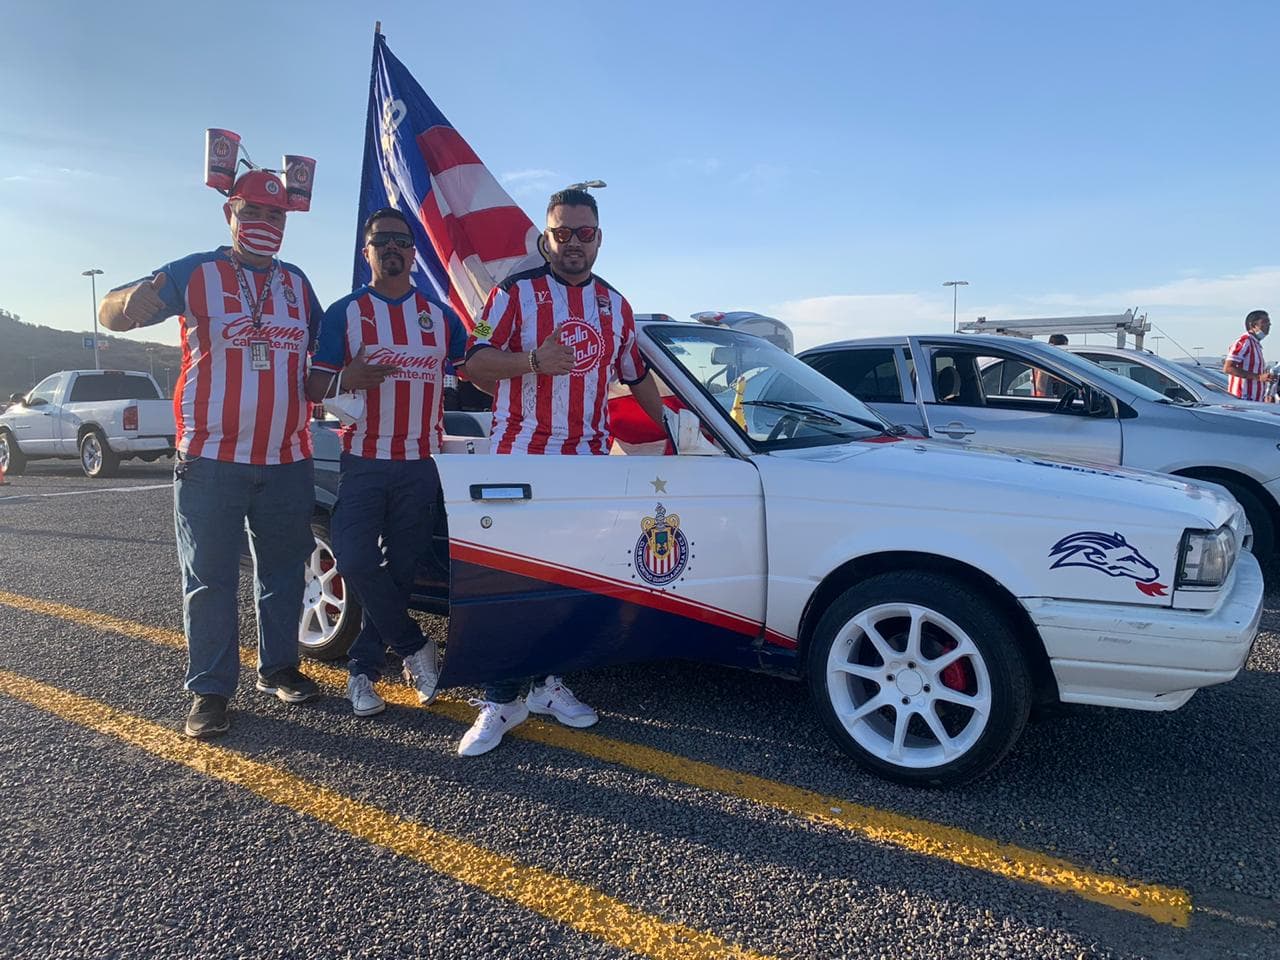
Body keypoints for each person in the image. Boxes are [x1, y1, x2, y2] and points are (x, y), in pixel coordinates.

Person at [98, 169, 324, 739]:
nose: (264, 225)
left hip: (287, 459)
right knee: (209, 579)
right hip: (209, 460)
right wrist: (130, 302)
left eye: (275, 216)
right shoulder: (194, 272)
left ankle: (279, 669)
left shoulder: (297, 283)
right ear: (230, 213)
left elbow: (323, 357)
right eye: (253, 212)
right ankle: (210, 691)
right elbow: (109, 310)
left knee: (282, 574)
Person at [457, 187, 668, 756]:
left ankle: (548, 685)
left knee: (570, 581)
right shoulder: (513, 294)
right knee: (513, 582)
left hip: (587, 465)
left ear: (598, 238)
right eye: (562, 233)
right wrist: (531, 361)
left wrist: (676, 431)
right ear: (545, 239)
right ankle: (501, 700)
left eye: (585, 233)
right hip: (522, 459)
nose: (573, 244)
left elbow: (636, 373)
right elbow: (471, 364)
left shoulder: (615, 305)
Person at [306, 208, 467, 716]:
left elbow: (475, 367)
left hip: (421, 464)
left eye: (402, 240)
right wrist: (347, 376)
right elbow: (313, 387)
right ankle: (416, 644)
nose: (393, 248)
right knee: (353, 558)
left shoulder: (441, 317)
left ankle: (363, 669)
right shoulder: (345, 313)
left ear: (413, 252)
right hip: (364, 460)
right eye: (383, 241)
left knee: (400, 573)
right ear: (367, 251)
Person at [1224, 310, 1273, 401]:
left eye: (1269, 322)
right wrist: (1258, 377)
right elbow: (1228, 368)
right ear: (1253, 325)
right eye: (1265, 322)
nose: (1269, 325)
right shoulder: (1245, 341)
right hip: (1242, 400)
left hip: (1256, 400)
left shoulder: (1256, 344)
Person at [1032, 334, 1070, 398]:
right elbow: (1040, 386)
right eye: (1064, 348)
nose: (1065, 351)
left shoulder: (1043, 358)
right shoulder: (1045, 360)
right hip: (1043, 400)